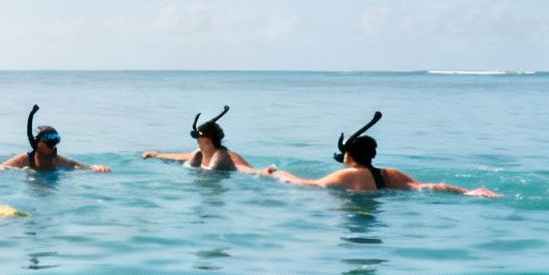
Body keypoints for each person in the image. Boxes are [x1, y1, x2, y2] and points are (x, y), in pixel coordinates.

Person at [263, 112, 498, 196]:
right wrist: (468, 192)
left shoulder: (346, 176)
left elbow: (310, 186)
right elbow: (429, 187)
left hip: (359, 216)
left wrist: (279, 173)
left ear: (350, 155)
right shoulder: (389, 174)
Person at [0, 105, 111, 172]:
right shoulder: (25, 159)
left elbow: (85, 166)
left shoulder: (59, 161)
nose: (53, 142)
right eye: (48, 138)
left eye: (55, 138)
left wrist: (98, 168)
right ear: (38, 143)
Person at [142, 106, 255, 171]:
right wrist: (156, 154)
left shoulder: (226, 156)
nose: (196, 140)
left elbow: (243, 168)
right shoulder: (200, 153)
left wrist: (264, 173)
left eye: (197, 136)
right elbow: (181, 156)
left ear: (208, 138)